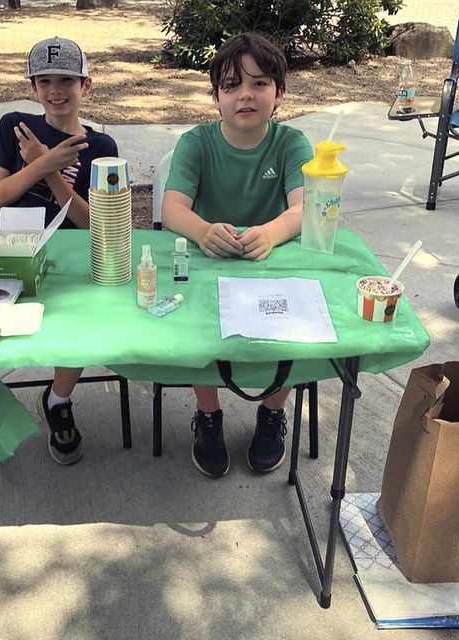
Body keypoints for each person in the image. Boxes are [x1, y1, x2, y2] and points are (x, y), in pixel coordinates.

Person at [0, 36, 118, 475]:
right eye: (45, 80)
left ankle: (58, 399)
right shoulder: (15, 125)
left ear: (86, 85)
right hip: (7, 249)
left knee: (83, 318)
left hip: (69, 254)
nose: (56, 90)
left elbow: (93, 223)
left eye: (67, 80)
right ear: (33, 87)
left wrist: (51, 171)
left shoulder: (101, 146)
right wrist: (38, 163)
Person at [161, 32, 314, 478]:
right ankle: (208, 415)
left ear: (279, 94)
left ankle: (272, 414)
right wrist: (204, 231)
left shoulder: (291, 142)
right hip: (209, 270)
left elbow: (307, 208)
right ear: (216, 98)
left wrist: (270, 232)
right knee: (195, 330)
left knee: (306, 326)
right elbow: (172, 208)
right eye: (231, 85)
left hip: (274, 269)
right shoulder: (196, 142)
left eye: (260, 83)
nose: (245, 94)